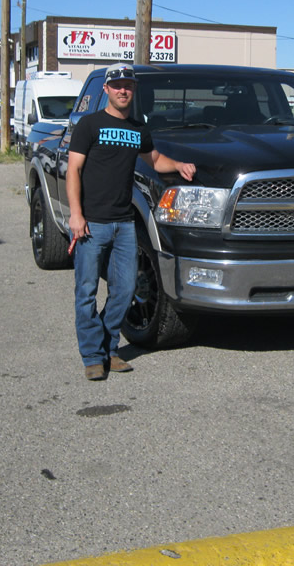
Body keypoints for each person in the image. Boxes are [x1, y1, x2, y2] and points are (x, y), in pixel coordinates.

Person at [66, 63, 196, 381]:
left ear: (132, 91)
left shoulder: (139, 129)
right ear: (107, 90)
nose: (123, 90)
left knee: (124, 290)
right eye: (117, 85)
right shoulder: (89, 124)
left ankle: (110, 349)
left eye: (128, 85)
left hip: (124, 224)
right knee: (85, 291)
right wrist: (76, 214)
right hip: (91, 224)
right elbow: (73, 171)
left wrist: (178, 165)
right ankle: (93, 356)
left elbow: (154, 160)